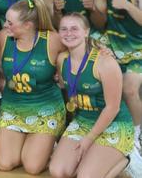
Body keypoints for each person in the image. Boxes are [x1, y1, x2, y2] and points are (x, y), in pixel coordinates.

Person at [49, 13, 134, 178]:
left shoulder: (105, 62)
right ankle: (96, 159)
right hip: (83, 121)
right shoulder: (61, 59)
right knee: (57, 171)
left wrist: (89, 139)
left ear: (86, 32)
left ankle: (127, 160)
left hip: (113, 124)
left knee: (85, 177)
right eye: (64, 29)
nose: (68, 33)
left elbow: (113, 108)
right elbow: (68, 90)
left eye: (74, 28)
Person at [0, 0, 66, 174]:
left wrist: (102, 50)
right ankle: (33, 143)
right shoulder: (3, 38)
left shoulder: (52, 40)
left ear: (27, 25)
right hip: (13, 109)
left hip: (45, 108)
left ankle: (50, 143)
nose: (5, 25)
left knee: (32, 167)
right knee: (5, 164)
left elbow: (77, 53)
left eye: (10, 23)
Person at [99, 0, 142, 151]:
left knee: (129, 89)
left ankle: (137, 134)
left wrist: (127, 5)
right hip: (112, 46)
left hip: (138, 50)